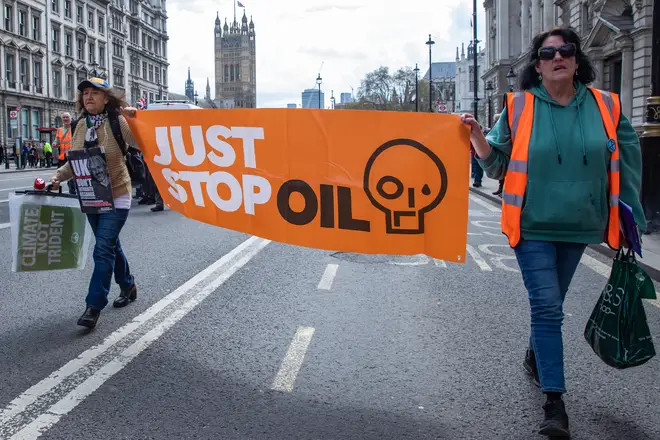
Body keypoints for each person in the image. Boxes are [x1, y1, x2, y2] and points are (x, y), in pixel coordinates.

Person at [461, 26, 645, 438]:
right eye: (548, 53)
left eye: (566, 50)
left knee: (553, 301)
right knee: (547, 308)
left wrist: (633, 224)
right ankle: (554, 405)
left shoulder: (608, 107)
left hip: (580, 225)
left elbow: (629, 168)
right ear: (538, 65)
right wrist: (477, 137)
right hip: (531, 226)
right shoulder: (519, 106)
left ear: (578, 60)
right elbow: (495, 166)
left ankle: (535, 352)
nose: (557, 57)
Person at [50, 77, 140, 329]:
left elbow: (143, 143)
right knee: (111, 245)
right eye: (84, 93)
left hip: (118, 194)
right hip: (91, 196)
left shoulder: (118, 121)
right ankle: (128, 285)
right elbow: (74, 160)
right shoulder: (79, 125)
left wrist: (135, 119)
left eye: (94, 93)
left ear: (106, 98)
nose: (88, 97)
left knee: (102, 249)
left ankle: (94, 305)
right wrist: (57, 177)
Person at [54, 113, 77, 194]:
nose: (65, 118)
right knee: (62, 175)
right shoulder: (59, 130)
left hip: (72, 155)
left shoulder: (74, 128)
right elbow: (57, 141)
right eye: (63, 117)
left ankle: (72, 192)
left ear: (71, 118)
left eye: (67, 117)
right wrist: (55, 144)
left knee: (71, 177)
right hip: (63, 157)